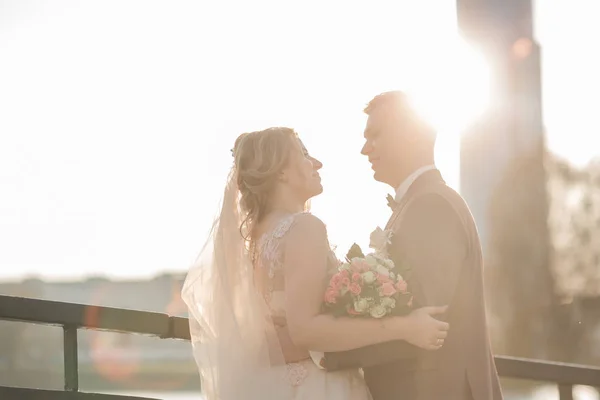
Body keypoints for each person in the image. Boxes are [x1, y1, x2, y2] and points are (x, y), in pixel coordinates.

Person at [182, 126, 449, 400]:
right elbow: (305, 330)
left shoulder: (255, 236)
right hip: (314, 386)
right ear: (281, 172)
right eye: (304, 154)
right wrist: (406, 327)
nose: (317, 163)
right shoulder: (303, 227)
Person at [321, 91, 503, 400]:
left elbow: (426, 318)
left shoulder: (431, 205)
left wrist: (327, 349)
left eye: (375, 135)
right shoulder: (419, 203)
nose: (365, 149)